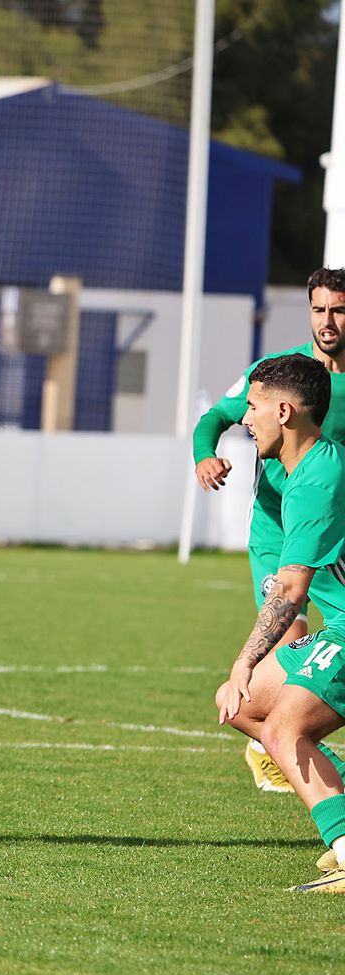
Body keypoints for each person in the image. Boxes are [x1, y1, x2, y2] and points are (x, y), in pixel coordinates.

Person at [195, 267, 345, 793]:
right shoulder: (281, 373)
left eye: (339, 309)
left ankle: (290, 742)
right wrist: (203, 456)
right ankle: (288, 746)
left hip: (329, 542)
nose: (327, 321)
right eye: (318, 309)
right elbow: (214, 416)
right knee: (290, 639)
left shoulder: (323, 467)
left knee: (306, 680)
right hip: (280, 539)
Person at [212, 354, 345, 891]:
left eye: (253, 406)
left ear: (283, 411)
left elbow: (291, 589)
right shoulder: (302, 470)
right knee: (241, 705)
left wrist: (245, 659)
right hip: (338, 628)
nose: (245, 419)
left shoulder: (317, 479)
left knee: (285, 727)